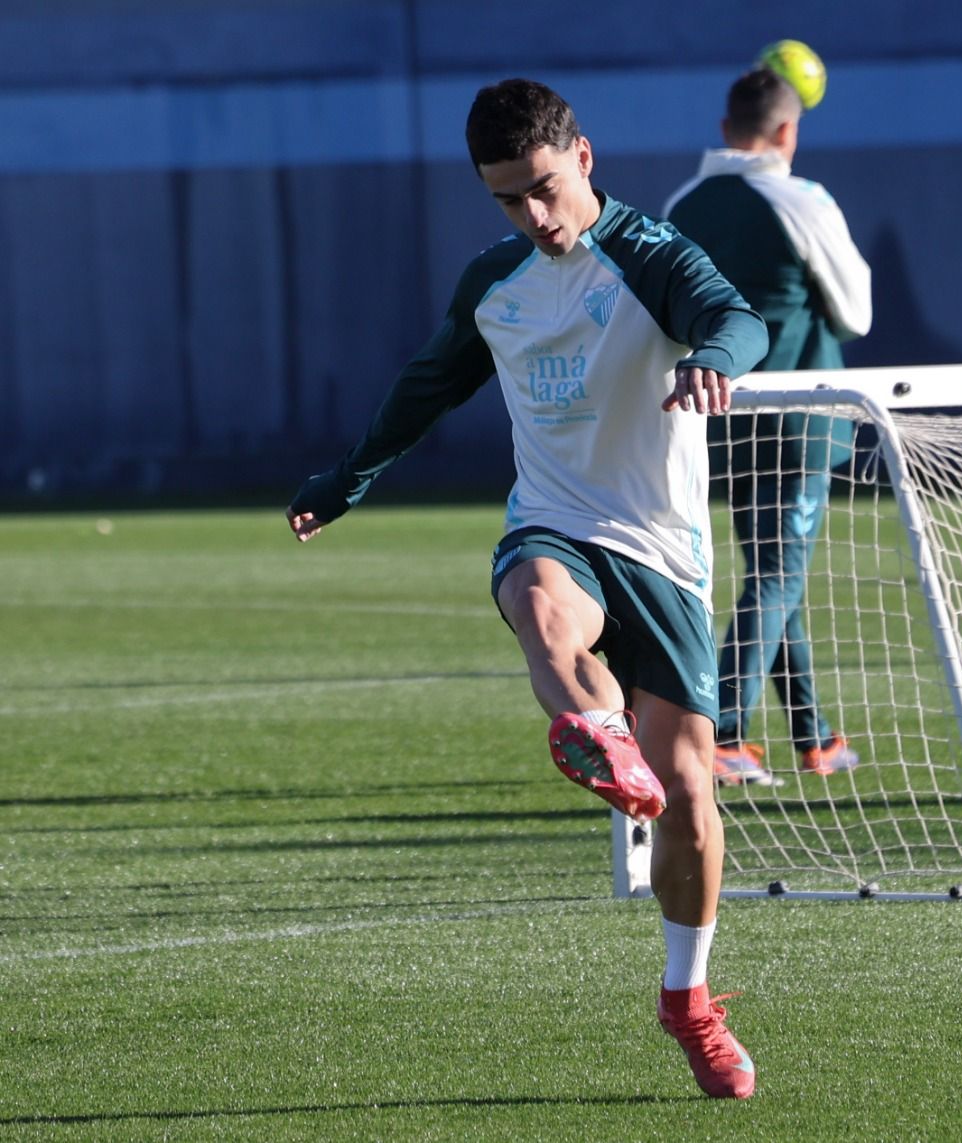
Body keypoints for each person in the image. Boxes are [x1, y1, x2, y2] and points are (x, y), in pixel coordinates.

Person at [285, 79, 768, 1100]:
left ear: (582, 158)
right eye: (508, 198)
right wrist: (345, 481)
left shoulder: (652, 257)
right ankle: (599, 736)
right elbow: (425, 386)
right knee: (544, 610)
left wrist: (715, 358)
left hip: (663, 553)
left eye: (544, 187)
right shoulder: (494, 283)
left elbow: (736, 317)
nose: (534, 215)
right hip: (553, 525)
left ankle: (688, 1000)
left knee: (690, 794)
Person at [664, 66, 873, 784]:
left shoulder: (683, 204)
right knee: (778, 577)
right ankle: (723, 733)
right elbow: (857, 313)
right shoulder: (801, 198)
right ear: (788, 130)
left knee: (772, 576)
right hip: (799, 421)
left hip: (720, 416)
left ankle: (814, 736)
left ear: (726, 129)